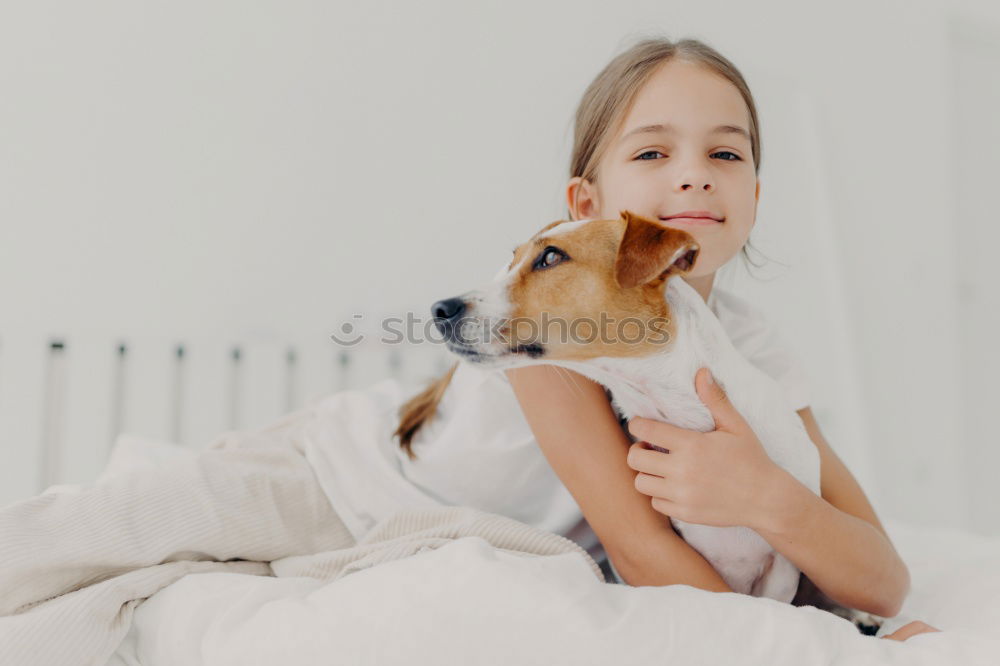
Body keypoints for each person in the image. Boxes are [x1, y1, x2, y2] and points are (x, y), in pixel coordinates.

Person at [503, 36, 937, 642]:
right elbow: (641, 555)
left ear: (755, 198)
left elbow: (883, 583)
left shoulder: (753, 351)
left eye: (727, 155)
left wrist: (767, 496)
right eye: (653, 151)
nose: (696, 176)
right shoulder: (544, 336)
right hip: (351, 480)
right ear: (586, 206)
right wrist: (828, 653)